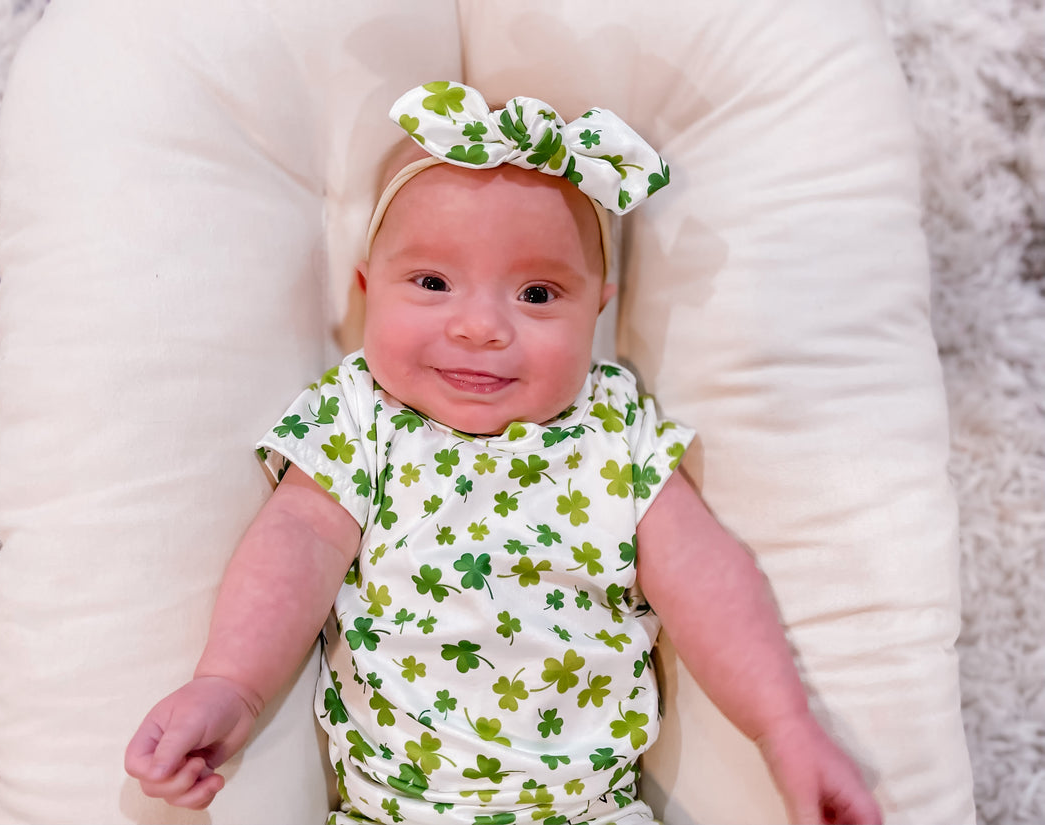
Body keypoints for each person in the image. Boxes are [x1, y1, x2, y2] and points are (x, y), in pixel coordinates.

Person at [125, 81, 883, 825]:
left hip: (589, 812)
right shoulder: (361, 416)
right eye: (432, 282)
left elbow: (703, 571)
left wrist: (784, 726)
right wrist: (229, 684)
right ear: (367, 291)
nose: (481, 326)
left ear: (597, 311)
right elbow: (298, 541)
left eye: (538, 295)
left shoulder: (613, 424)